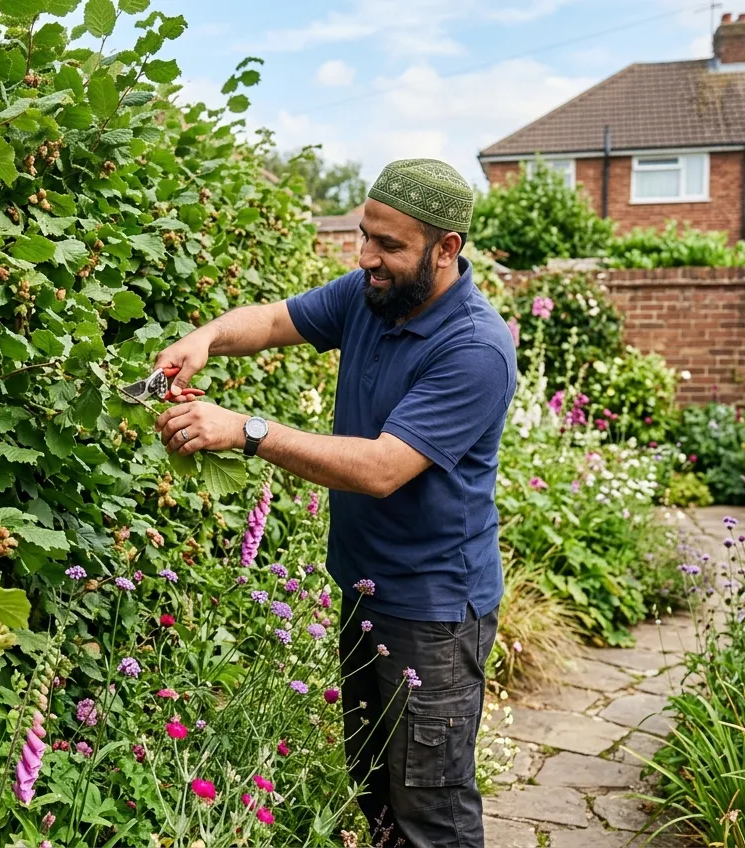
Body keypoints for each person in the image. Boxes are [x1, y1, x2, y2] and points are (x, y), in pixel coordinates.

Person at [151, 158, 516, 847]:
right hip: (364, 587)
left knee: (431, 813)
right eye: (364, 235)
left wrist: (247, 431)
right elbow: (271, 320)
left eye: (389, 245)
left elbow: (382, 468)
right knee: (375, 792)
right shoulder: (370, 294)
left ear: (446, 249)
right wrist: (205, 338)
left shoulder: (476, 348)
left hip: (434, 613)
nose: (366, 256)